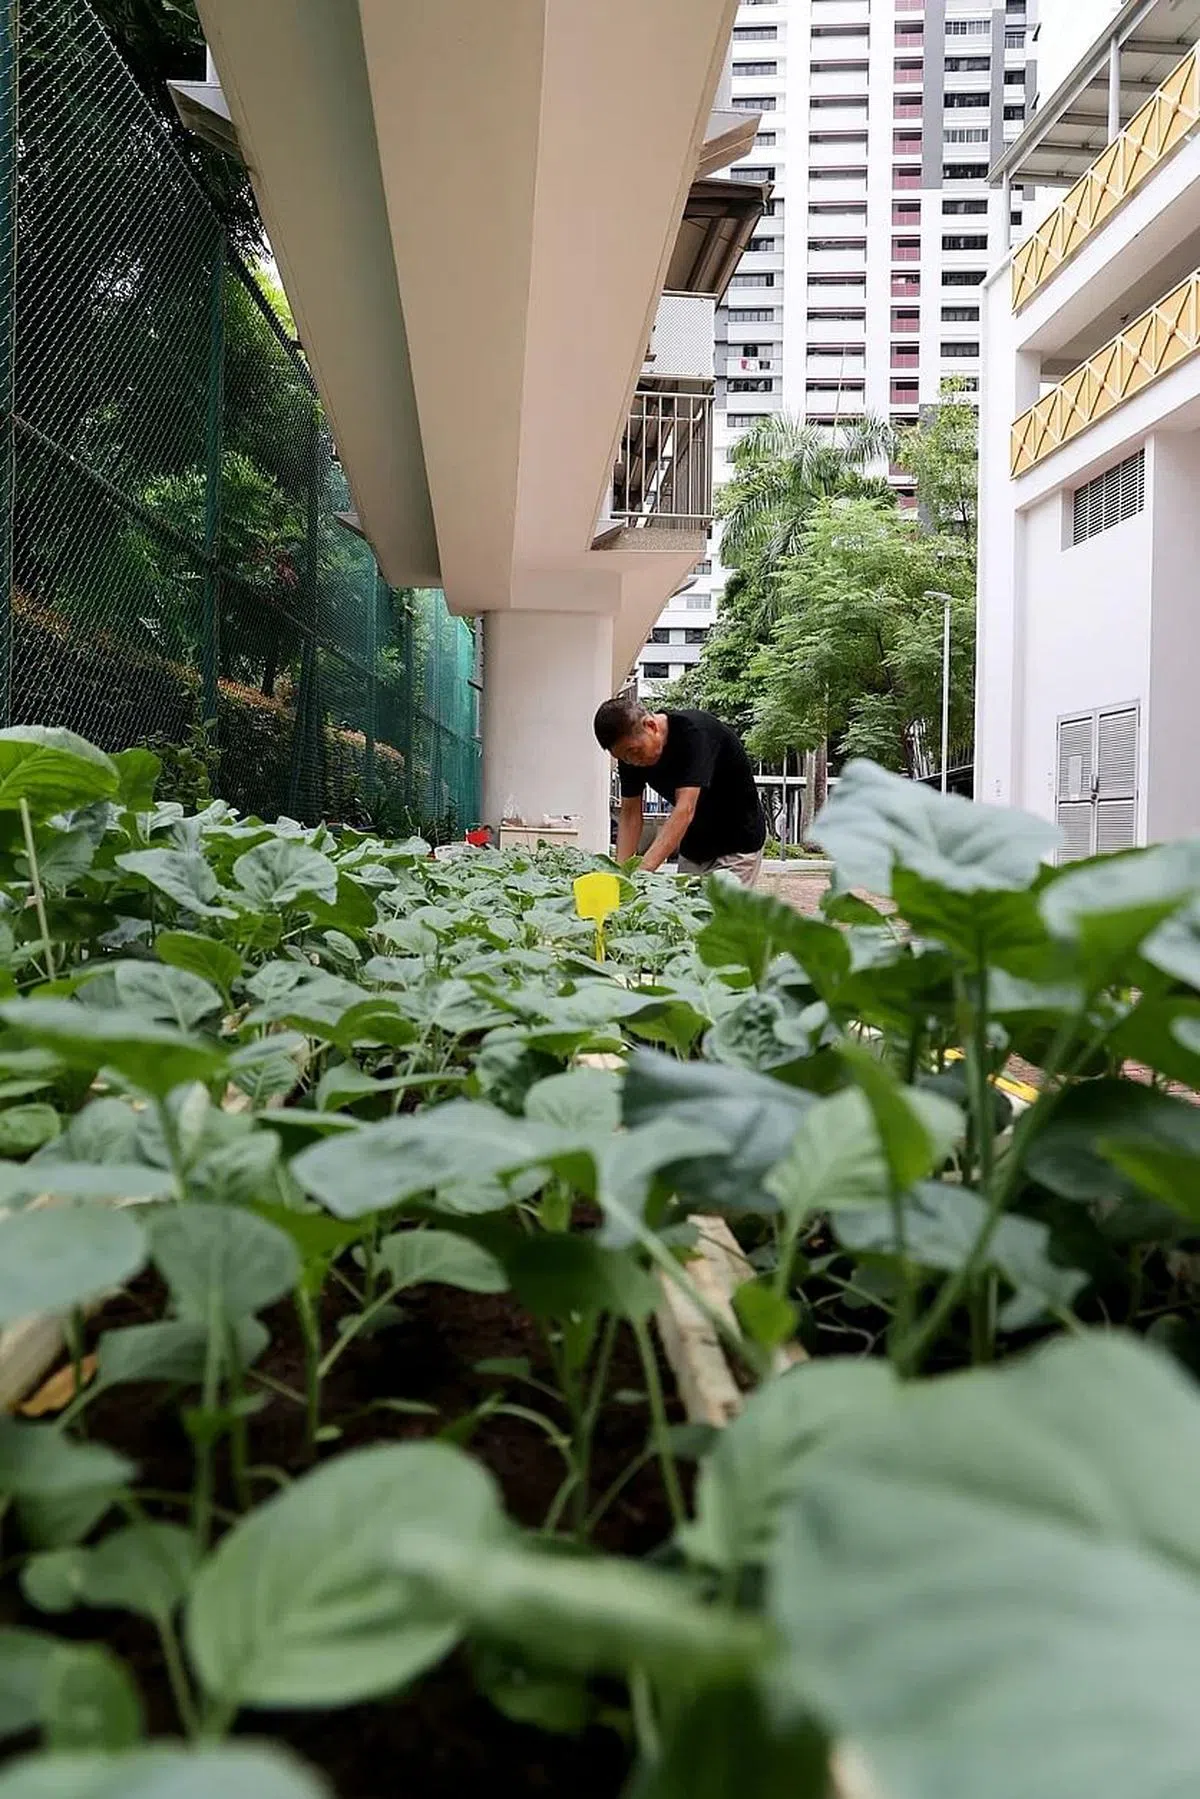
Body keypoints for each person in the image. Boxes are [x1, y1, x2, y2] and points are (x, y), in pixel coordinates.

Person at [593, 695, 766, 885]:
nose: (632, 761)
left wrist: (643, 873)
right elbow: (630, 815)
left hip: (737, 844)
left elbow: (685, 810)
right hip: (694, 846)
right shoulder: (630, 757)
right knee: (686, 911)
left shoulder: (695, 733)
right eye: (624, 757)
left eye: (634, 752)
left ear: (650, 725)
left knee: (720, 913)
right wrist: (621, 876)